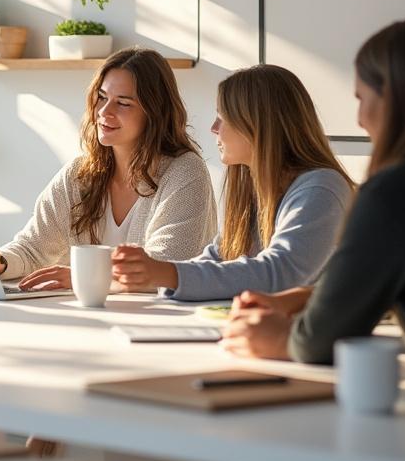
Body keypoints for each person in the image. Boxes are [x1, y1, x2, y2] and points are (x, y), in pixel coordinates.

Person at [222, 19, 405, 407]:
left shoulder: (397, 193)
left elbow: (318, 343)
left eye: (362, 99)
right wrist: (306, 298)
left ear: (395, 101)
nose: (361, 119)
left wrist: (276, 339)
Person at [111, 65, 353, 300]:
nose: (214, 128)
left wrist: (168, 274)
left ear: (256, 125)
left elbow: (281, 272)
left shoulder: (322, 189)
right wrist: (149, 275)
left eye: (222, 117)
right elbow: (219, 257)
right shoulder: (256, 192)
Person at [0, 47, 217, 290]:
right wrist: (0, 262)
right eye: (101, 97)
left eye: (123, 103)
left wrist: (85, 275)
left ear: (154, 113)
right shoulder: (77, 175)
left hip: (162, 320)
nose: (104, 111)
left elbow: (168, 263)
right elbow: (32, 248)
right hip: (92, 319)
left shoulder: (185, 171)